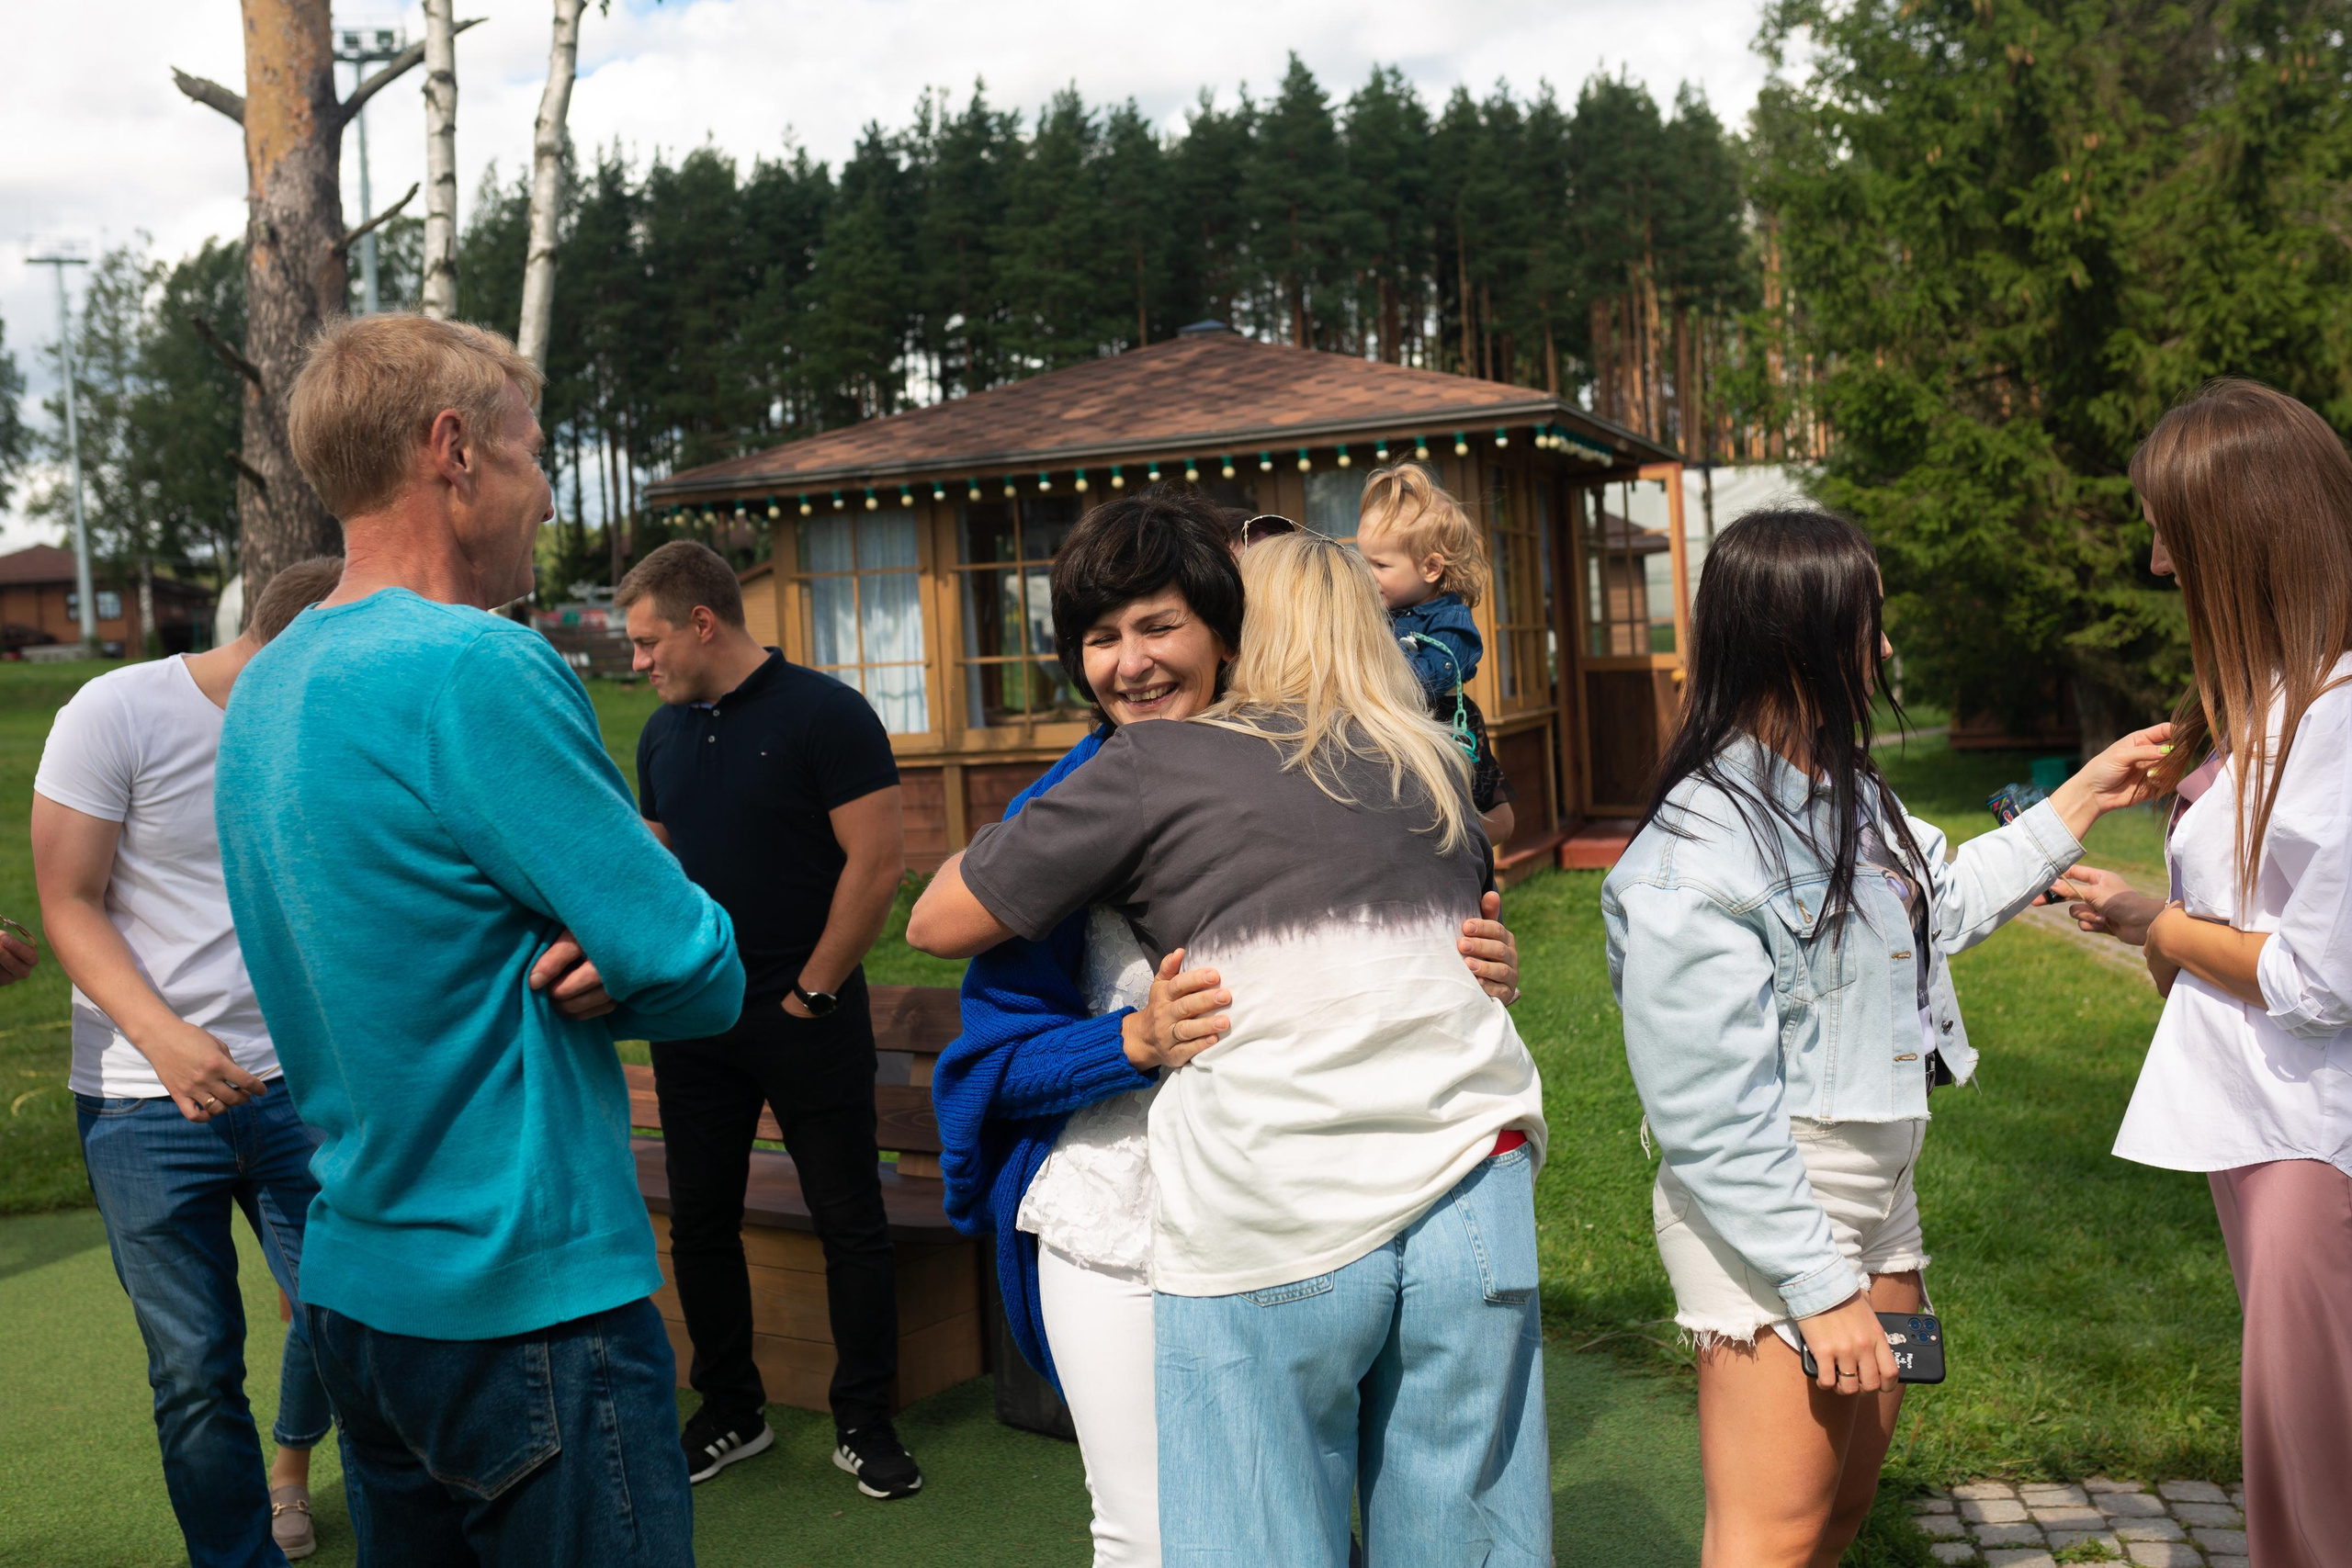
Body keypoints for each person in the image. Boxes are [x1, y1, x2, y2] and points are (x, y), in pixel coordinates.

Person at [213, 314, 745, 1568]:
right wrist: (648, 892)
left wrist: (613, 924)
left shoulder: (267, 688)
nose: (547, 488)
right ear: (453, 451)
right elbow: (698, 966)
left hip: (360, 1289)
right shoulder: (477, 666)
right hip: (526, 1298)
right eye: (533, 448)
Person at [912, 526, 1548, 1568]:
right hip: (1125, 1221)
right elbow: (986, 1057)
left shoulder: (1339, 770)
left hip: (1303, 1195)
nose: (1132, 661)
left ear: (1230, 636)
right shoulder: (1095, 786)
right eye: (1102, 637)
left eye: (1160, 626)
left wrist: (1464, 962)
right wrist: (1128, 1041)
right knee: (1158, 1534)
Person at [1601, 508, 2168, 1568]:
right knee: (1770, 1538)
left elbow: (1941, 902)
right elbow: (1709, 1118)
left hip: (1878, 1194)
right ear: (1796, 639)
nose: (1888, 650)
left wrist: (2084, 793)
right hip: (1773, 1211)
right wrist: (1818, 1289)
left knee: (1838, 1516)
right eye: (1871, 624)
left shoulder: (1845, 792)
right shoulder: (1695, 850)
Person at [2060, 378, 2352, 1568]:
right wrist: (2154, 918)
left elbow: (2322, 974)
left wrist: (2158, 928)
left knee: (2312, 1485)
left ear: (2240, 536)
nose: (2156, 557)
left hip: (2307, 1141)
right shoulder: (2277, 712)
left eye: (2170, 529)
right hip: (2259, 1128)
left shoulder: (2336, 722)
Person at [33, 556, 345, 1568]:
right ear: (303, 639)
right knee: (196, 1373)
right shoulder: (116, 709)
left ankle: (325, 1495)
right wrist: (167, 1040)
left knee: (356, 1330)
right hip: (143, 1102)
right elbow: (69, 900)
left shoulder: (336, 728)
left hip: (307, 1088)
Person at [617, 539, 922, 1500]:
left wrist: (815, 991)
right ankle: (732, 1412)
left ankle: (864, 1420)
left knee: (850, 1221)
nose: (637, 663)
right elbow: (659, 871)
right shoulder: (662, 735)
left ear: (701, 622)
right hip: (694, 1020)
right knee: (701, 1222)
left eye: (644, 641)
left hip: (808, 1012)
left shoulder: (827, 714)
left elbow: (875, 866)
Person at [1354, 466, 1516, 845]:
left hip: (1440, 727)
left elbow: (1428, 676)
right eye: (1363, 561)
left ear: (1430, 567)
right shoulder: (1377, 611)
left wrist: (1370, 674)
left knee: (1457, 814)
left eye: (1380, 565)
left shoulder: (1450, 622)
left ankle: (1464, 850)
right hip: (1394, 726)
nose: (1367, 574)